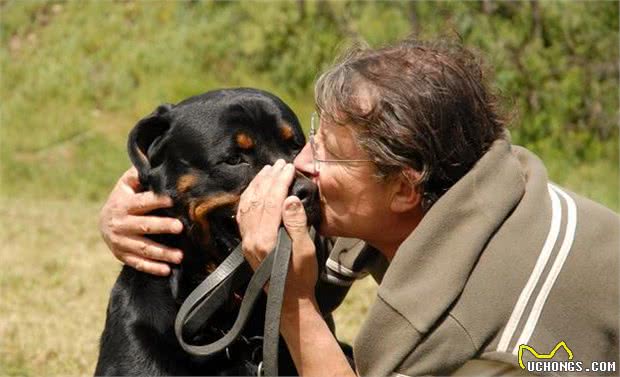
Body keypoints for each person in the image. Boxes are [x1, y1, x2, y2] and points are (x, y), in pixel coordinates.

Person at [100, 38, 619, 376]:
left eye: (324, 154)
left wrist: (296, 307)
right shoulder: (471, 184)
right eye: (312, 138)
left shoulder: (478, 334)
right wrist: (140, 200)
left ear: (403, 187)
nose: (296, 171)